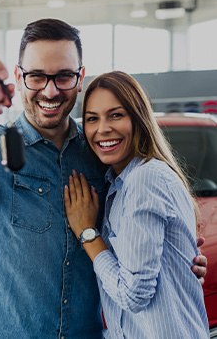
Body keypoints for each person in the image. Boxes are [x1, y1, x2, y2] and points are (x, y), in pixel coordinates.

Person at [0, 19, 206, 338]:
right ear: (19, 78)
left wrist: (172, 261)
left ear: (80, 79)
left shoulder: (101, 154)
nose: (50, 91)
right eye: (37, 76)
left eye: (64, 76)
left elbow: (131, 233)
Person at [64, 71, 210, 338]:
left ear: (138, 118)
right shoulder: (118, 185)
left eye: (116, 115)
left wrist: (87, 233)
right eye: (92, 119)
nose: (103, 128)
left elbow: (133, 296)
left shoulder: (146, 178)